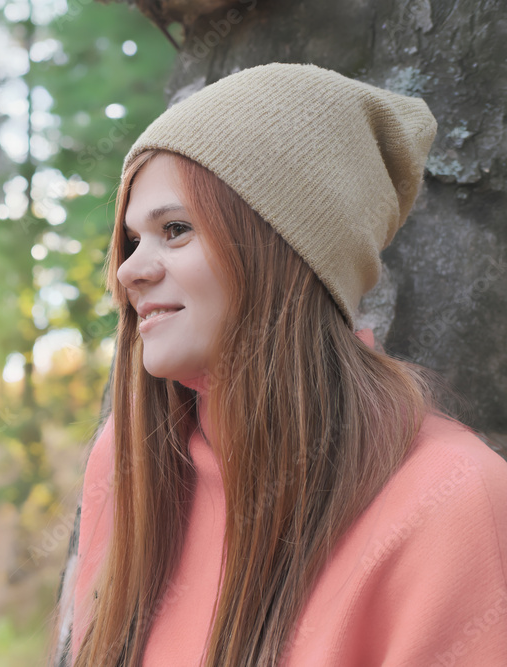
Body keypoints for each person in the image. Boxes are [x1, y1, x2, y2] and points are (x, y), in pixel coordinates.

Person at [52, 63, 507, 667]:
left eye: (175, 229)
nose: (128, 271)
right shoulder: (132, 458)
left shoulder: (454, 501)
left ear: (286, 251)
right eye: (133, 240)